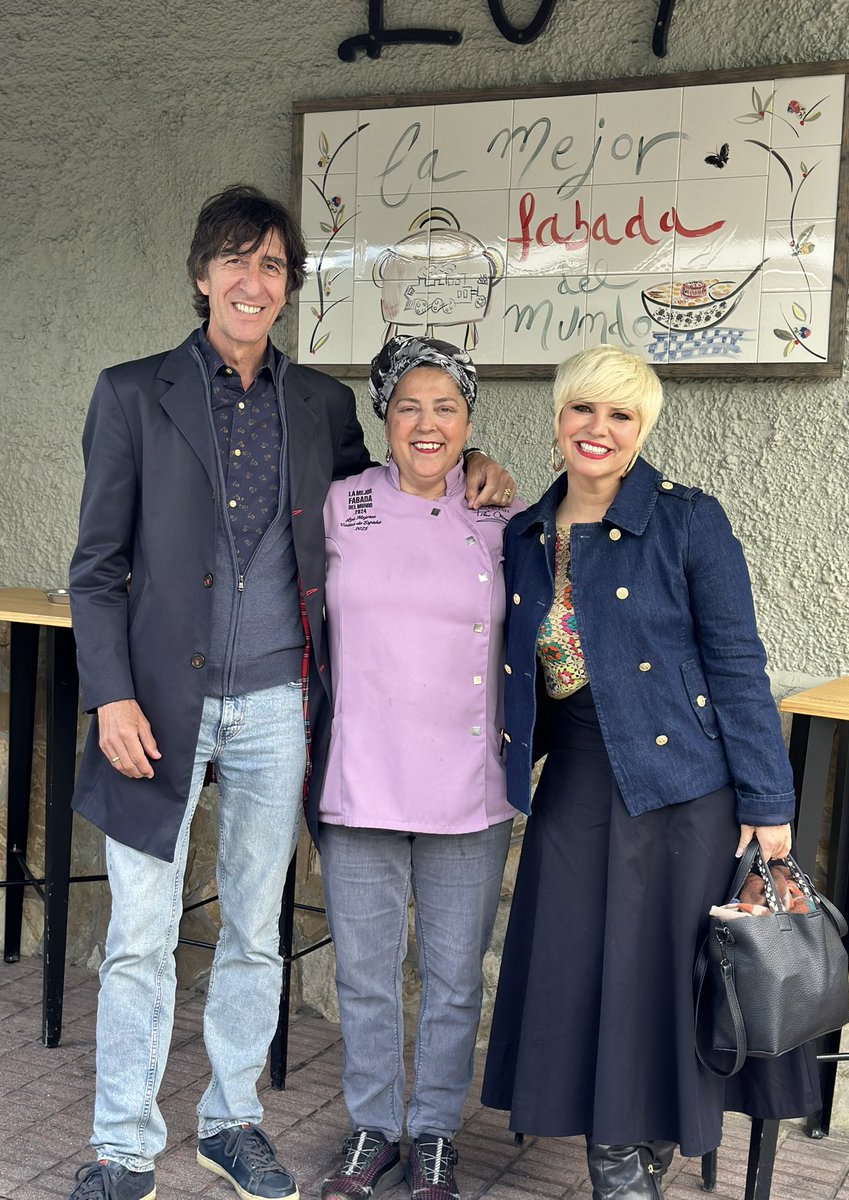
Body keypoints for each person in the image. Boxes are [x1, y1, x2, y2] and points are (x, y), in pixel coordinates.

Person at [66, 186, 514, 1200]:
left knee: (257, 931)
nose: (251, 281)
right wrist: (110, 697)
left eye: (271, 266)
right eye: (234, 260)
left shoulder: (318, 407)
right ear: (200, 276)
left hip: (276, 707)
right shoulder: (132, 394)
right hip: (155, 711)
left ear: (289, 289)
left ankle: (232, 1124)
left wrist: (475, 460)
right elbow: (95, 566)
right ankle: (123, 1148)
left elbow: (395, 491)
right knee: (140, 933)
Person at [480, 345, 819, 1198]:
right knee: (579, 969)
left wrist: (770, 806)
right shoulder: (524, 533)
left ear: (642, 431)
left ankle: (628, 1161)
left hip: (684, 787)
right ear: (557, 419)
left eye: (620, 416)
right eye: (582, 411)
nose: (598, 429)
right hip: (578, 780)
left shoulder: (687, 520)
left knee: (663, 979)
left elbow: (739, 664)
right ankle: (629, 1146)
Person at [316, 336, 523, 1200]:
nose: (427, 424)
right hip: (360, 778)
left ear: (470, 423)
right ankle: (372, 1129)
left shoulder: (503, 519)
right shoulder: (338, 505)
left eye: (447, 408)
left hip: (469, 787)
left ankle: (434, 1129)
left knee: (449, 976)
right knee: (364, 973)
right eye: (409, 406)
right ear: (383, 418)